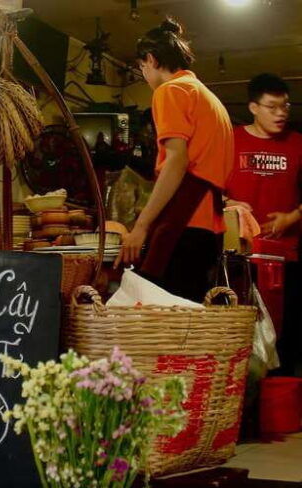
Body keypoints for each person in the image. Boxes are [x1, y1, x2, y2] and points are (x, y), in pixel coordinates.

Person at [117, 17, 233, 302]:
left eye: (141, 66)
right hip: (206, 228)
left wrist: (141, 226)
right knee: (187, 323)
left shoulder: (170, 91)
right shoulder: (207, 97)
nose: (143, 74)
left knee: (160, 319)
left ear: (152, 60)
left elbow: (176, 161)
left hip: (184, 223)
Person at [226, 73, 302, 375]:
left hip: (289, 257)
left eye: (285, 106)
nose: (281, 113)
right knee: (243, 335)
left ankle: (284, 405)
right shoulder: (230, 138)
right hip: (240, 257)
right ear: (253, 107)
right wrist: (226, 203)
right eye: (272, 107)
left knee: (288, 337)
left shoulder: (297, 144)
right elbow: (206, 188)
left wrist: (293, 216)